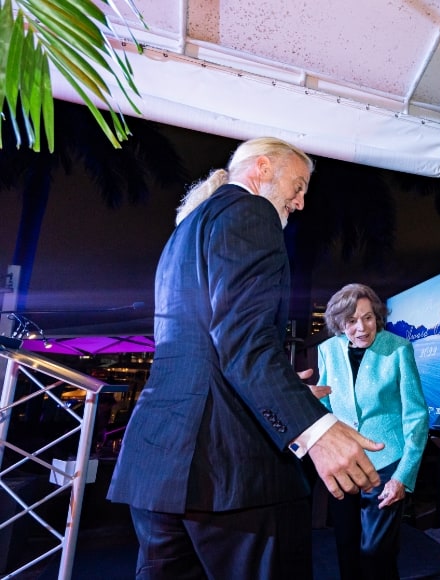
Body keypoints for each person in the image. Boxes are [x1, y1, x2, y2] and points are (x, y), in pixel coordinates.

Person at [107, 137, 384, 579]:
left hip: (160, 470)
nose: (301, 201)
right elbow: (243, 341)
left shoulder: (183, 233)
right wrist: (315, 429)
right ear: (260, 169)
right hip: (231, 477)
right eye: (297, 185)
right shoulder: (251, 213)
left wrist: (282, 392)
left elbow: (205, 353)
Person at [316, 283, 429, 579]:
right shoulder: (327, 350)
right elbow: (325, 406)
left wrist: (402, 476)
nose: (361, 328)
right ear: (339, 324)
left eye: (367, 317)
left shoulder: (399, 349)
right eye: (351, 321)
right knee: (346, 548)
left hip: (385, 466)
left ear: (377, 316)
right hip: (344, 466)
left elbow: (416, 418)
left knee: (376, 555)